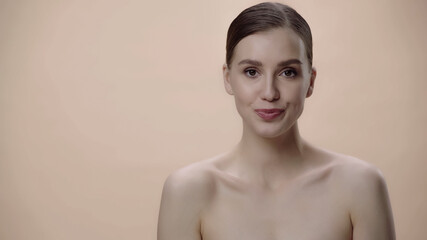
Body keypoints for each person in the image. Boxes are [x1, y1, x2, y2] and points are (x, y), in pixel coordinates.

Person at [157, 2, 395, 240]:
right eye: (252, 71)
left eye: (287, 72)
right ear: (228, 79)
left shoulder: (360, 187)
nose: (270, 93)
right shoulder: (188, 191)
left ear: (310, 81)